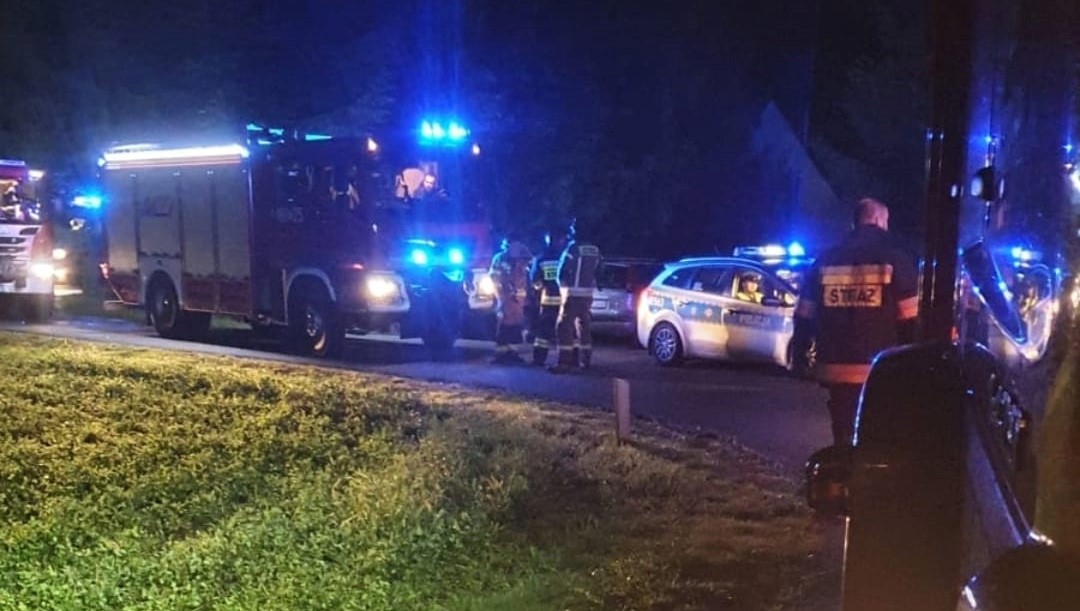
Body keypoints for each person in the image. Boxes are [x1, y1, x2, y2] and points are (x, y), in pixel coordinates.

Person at [791, 197, 919, 445]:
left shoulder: (826, 259)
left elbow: (804, 315)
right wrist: (909, 364)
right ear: (878, 220)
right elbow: (910, 320)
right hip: (879, 369)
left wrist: (800, 358)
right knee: (876, 432)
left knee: (842, 428)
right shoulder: (894, 259)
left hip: (834, 365)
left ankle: (842, 459)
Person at [551, 218, 601, 371]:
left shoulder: (573, 248)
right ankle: (585, 360)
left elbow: (562, 271)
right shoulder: (595, 250)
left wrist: (562, 288)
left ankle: (564, 361)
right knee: (584, 327)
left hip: (572, 294)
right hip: (587, 295)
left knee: (563, 326)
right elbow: (600, 270)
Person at [488, 231, 532, 364]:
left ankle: (512, 353)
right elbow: (494, 277)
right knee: (504, 324)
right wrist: (500, 296)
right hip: (505, 298)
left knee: (516, 326)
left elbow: (528, 276)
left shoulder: (523, 258)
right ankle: (501, 354)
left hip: (518, 299)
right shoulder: (501, 258)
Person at [528, 224, 567, 366]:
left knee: (544, 333)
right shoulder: (566, 256)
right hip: (564, 301)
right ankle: (567, 361)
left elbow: (535, 281)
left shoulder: (541, 258)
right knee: (564, 331)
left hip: (548, 301)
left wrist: (542, 289)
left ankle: (539, 360)